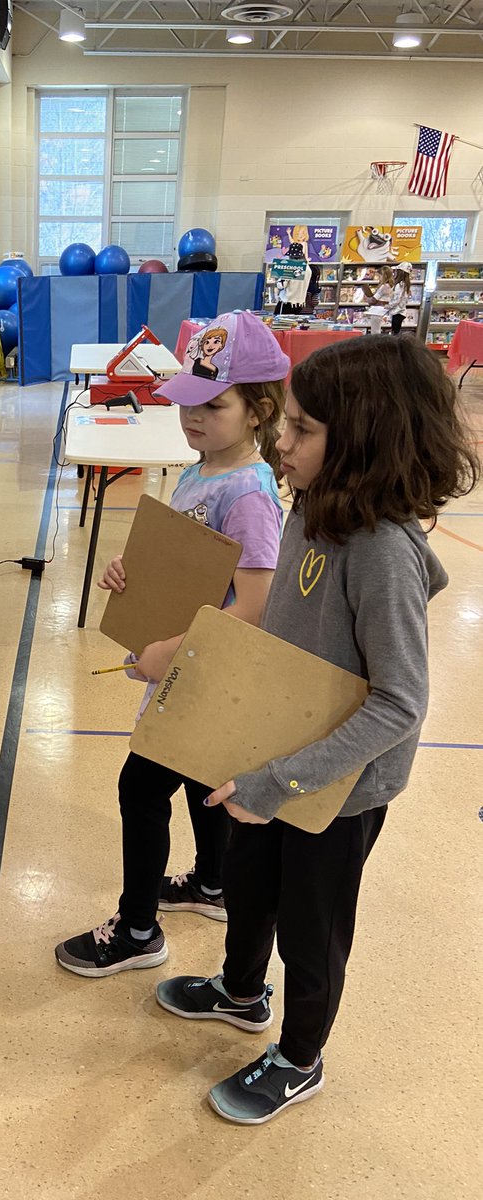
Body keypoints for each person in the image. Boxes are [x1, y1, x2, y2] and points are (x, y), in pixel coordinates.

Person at [156, 335, 478, 1125]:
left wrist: (279, 780)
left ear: (364, 440)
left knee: (312, 927)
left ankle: (301, 1058)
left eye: (302, 429)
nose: (281, 442)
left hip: (340, 788)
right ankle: (240, 993)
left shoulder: (382, 551)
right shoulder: (311, 506)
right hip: (279, 755)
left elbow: (401, 703)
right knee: (250, 887)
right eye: (287, 423)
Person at [55, 310, 289, 977]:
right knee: (201, 781)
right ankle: (211, 884)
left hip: (205, 673)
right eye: (189, 401)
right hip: (190, 663)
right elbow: (187, 568)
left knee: (140, 788)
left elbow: (256, 606)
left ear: (257, 411)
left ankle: (137, 930)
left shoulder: (248, 495)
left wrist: (174, 653)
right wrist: (131, 576)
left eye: (213, 406)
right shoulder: (201, 470)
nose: (193, 417)